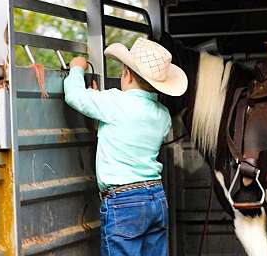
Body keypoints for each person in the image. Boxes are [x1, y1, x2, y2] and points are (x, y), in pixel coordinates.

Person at [63, 37, 188, 256]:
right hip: (156, 198)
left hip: (123, 201)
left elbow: (74, 96)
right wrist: (98, 103)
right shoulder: (163, 115)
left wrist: (76, 69)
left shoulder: (113, 102)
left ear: (127, 74)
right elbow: (130, 133)